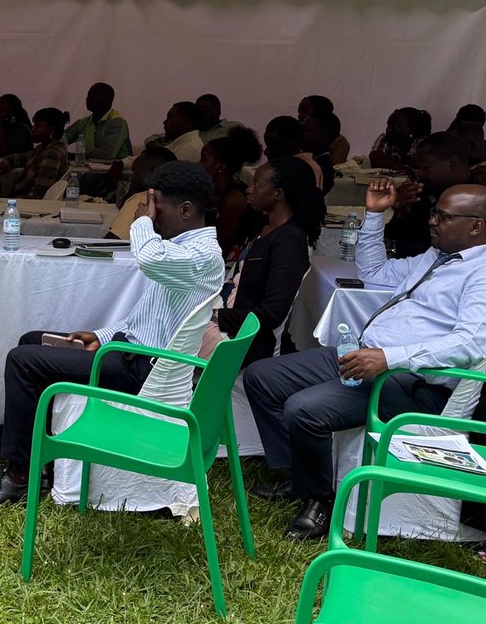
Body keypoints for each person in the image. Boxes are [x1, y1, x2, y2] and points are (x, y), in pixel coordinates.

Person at [0, 161, 224, 505]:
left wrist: (141, 220)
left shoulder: (202, 256)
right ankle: (40, 462)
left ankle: (20, 475)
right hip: (131, 352)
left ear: (186, 209)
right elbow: (143, 319)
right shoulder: (183, 250)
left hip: (145, 369)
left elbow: (148, 258)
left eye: (159, 209)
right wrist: (101, 335)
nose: (153, 216)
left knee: (23, 361)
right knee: (32, 341)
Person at [243, 178, 486, 540]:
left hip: (412, 382)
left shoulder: (481, 274)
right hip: (366, 357)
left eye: (443, 216)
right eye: (434, 212)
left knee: (304, 409)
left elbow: (473, 344)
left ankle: (320, 501)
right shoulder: (436, 258)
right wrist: (374, 215)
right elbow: (375, 272)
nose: (431, 220)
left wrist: (390, 358)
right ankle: (302, 476)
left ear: (476, 225)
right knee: (261, 377)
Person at [204, 156, 324, 367]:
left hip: (241, 337)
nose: (249, 190)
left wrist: (214, 316)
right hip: (226, 312)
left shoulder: (289, 243)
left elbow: (272, 313)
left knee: (169, 332)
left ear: (278, 193)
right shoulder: (263, 226)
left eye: (257, 184)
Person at [384, 132, 472, 258]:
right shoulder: (426, 193)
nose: (421, 173)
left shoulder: (476, 200)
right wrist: (400, 213)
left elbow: (443, 248)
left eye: (426, 168)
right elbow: (392, 237)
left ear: (453, 163)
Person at [200, 126, 263, 259]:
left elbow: (221, 248)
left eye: (203, 160)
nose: (198, 164)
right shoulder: (222, 192)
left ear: (220, 166)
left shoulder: (233, 199)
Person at [0, 108, 69, 199]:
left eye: (38, 126)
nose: (33, 129)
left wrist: (7, 200)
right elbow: (16, 158)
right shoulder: (44, 148)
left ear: (51, 129)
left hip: (28, 205)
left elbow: (37, 195)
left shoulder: (51, 154)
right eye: (34, 125)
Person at [107, 148, 177, 240]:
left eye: (136, 172)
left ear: (154, 172)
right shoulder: (180, 199)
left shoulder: (140, 200)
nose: (132, 177)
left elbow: (112, 242)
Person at [64, 83, 132, 160]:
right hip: (90, 169)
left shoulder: (117, 122)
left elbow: (108, 153)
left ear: (108, 101)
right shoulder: (84, 122)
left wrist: (76, 156)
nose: (89, 98)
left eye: (95, 95)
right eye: (88, 94)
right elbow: (63, 138)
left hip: (117, 170)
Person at [263, 115, 324, 190]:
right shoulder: (286, 167)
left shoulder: (307, 170)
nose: (265, 152)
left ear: (291, 147)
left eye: (272, 147)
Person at [298, 95, 350, 166]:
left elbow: (334, 167)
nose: (299, 115)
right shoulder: (297, 133)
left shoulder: (340, 142)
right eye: (299, 111)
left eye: (305, 111)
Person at [300, 112, 339, 194]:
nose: (301, 133)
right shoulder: (307, 160)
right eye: (301, 129)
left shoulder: (320, 168)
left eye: (307, 130)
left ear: (325, 136)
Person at [0, 94, 33, 159]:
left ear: (13, 114)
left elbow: (3, 153)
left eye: (0, 111)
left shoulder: (22, 131)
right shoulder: (5, 129)